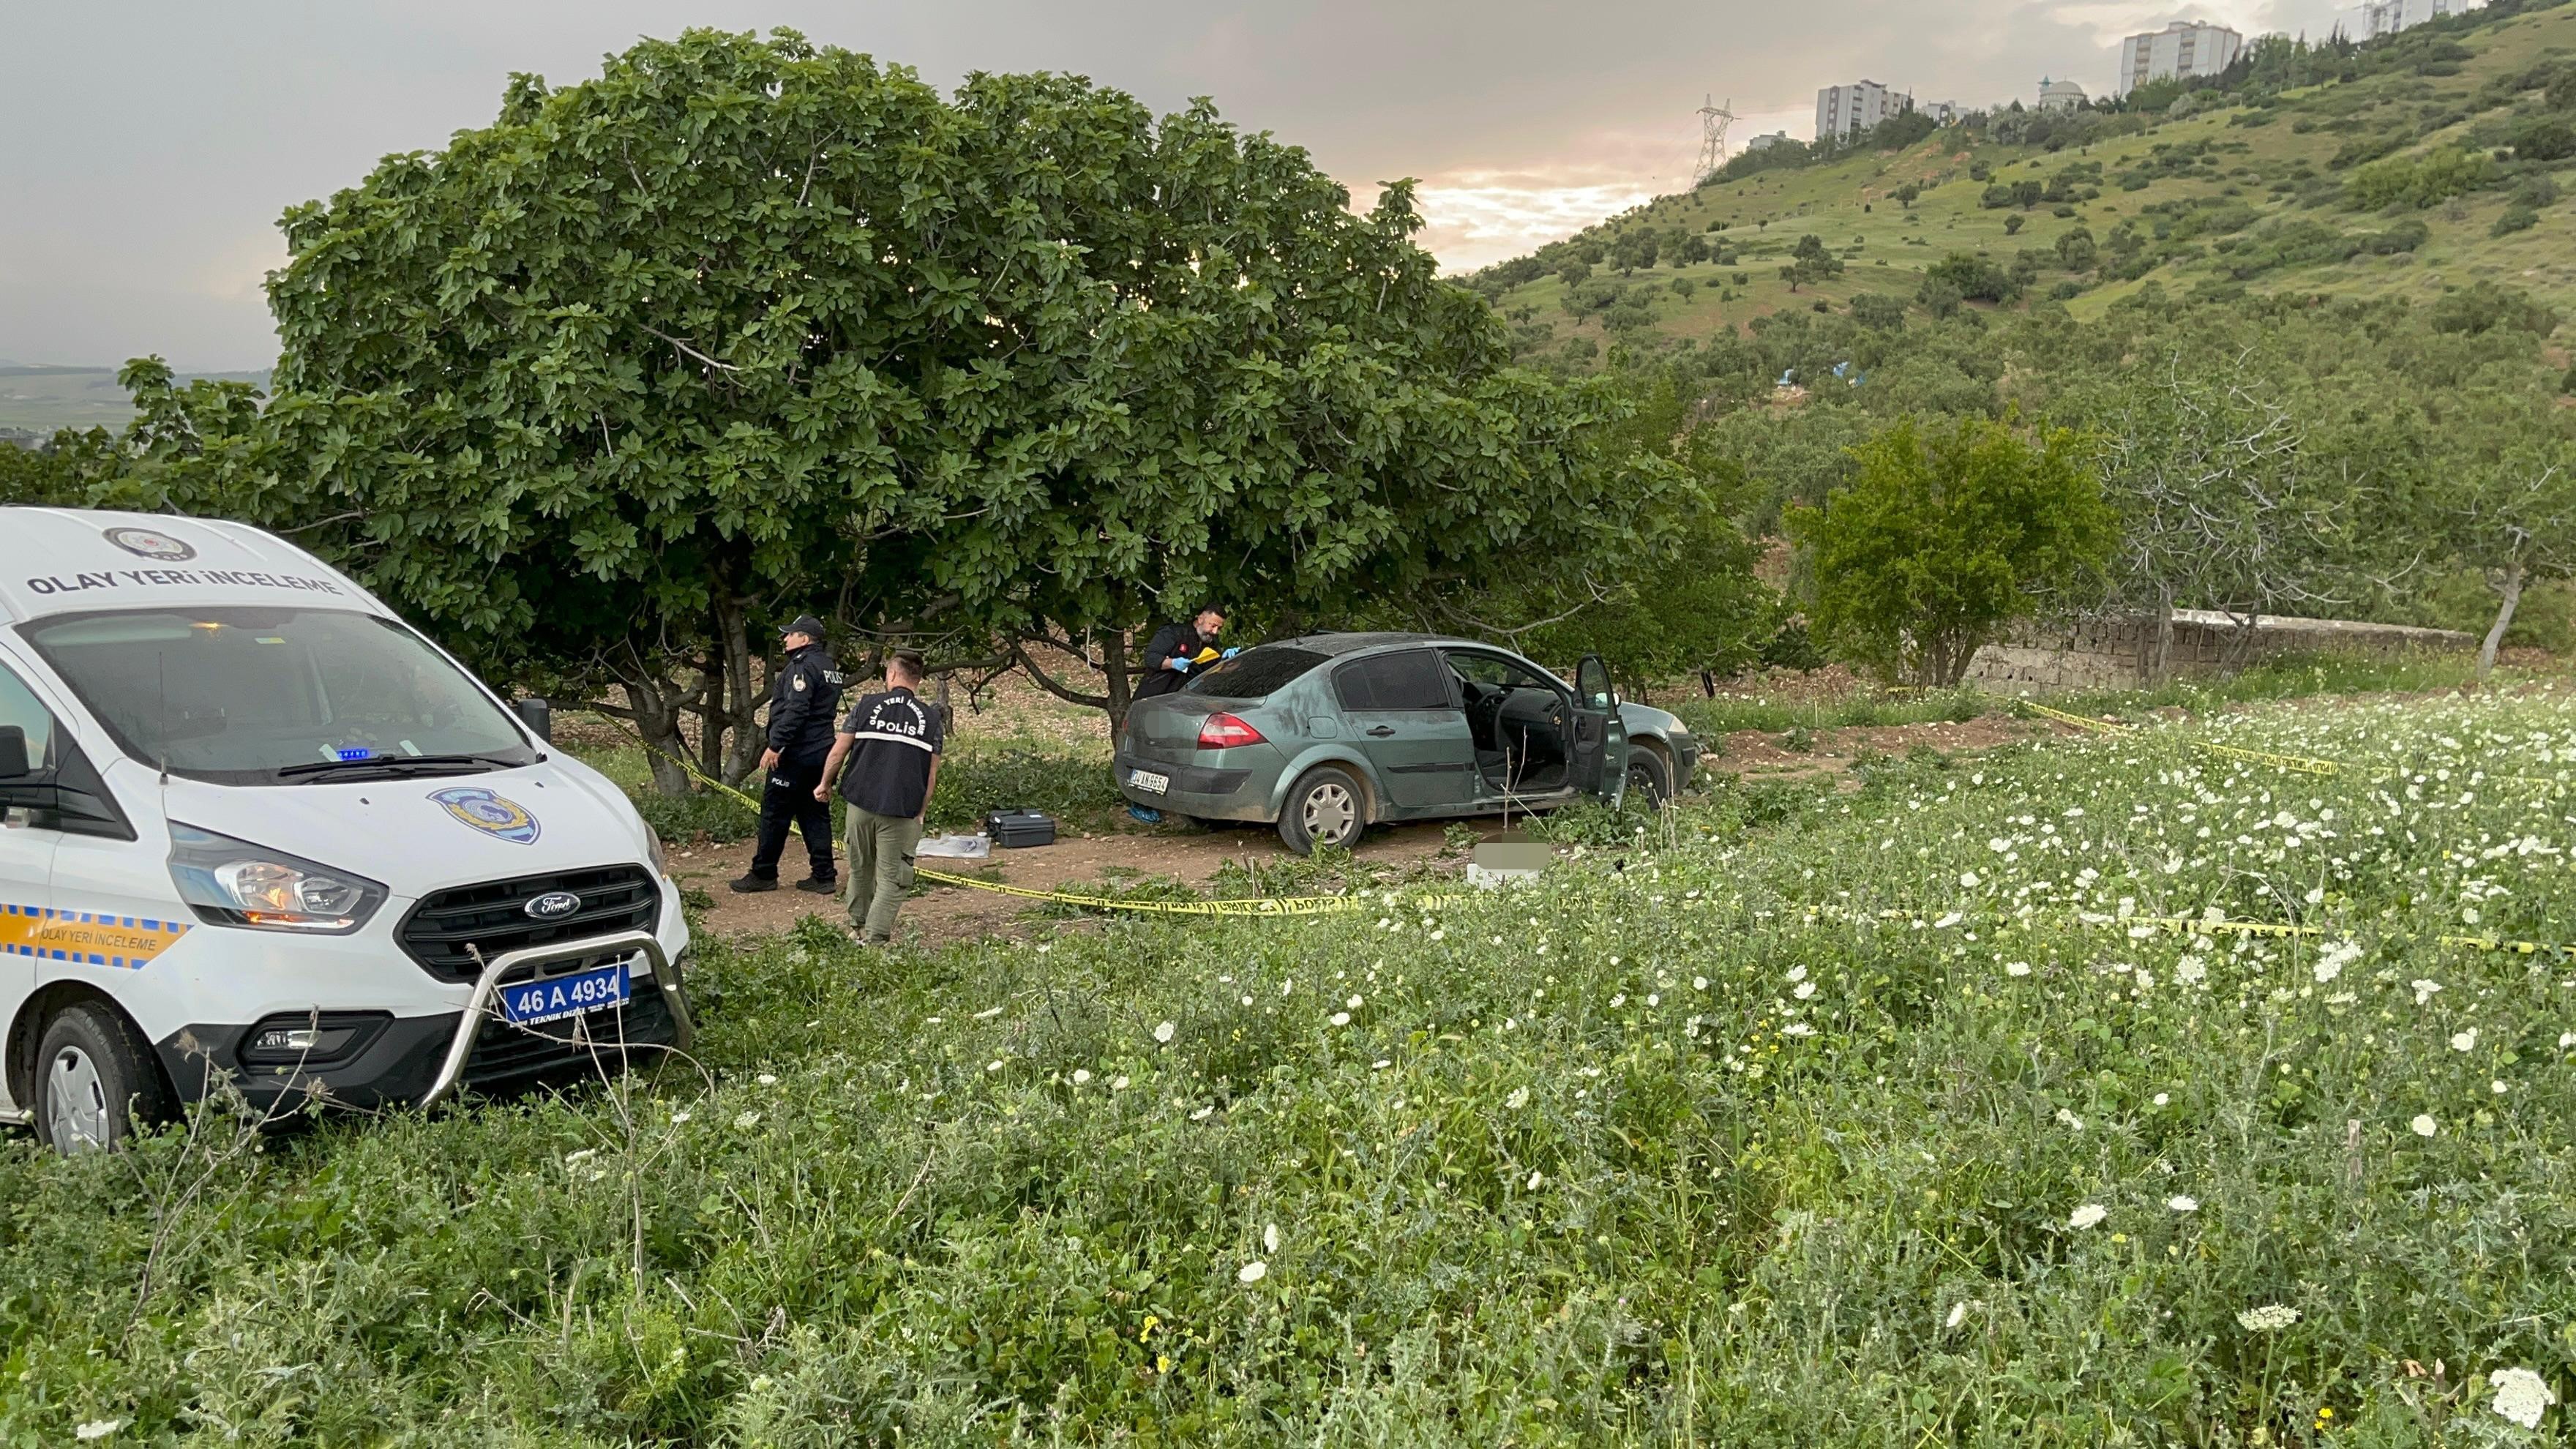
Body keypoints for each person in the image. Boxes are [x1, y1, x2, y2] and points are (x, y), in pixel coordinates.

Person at [815, 649, 943, 945]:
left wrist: (825, 783)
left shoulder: (866, 705)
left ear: (893, 674)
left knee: (860, 867)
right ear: (918, 680)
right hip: (901, 809)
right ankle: (874, 940)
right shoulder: (931, 719)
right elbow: (930, 776)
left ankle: (856, 927)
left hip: (859, 803)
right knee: (893, 876)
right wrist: (921, 812)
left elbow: (838, 752)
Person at [730, 615, 845, 894]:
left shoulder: (801, 668)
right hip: (821, 753)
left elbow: (796, 711)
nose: (785, 639)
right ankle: (824, 875)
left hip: (795, 754)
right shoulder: (829, 666)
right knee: (814, 813)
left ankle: (764, 872)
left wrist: (775, 746)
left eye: (790, 634)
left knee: (774, 813)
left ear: (804, 639)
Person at [1132, 606, 1235, 703]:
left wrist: (1224, 662)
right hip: (1152, 700)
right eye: (1213, 626)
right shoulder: (1174, 632)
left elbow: (1210, 673)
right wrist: (1173, 663)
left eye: (1219, 628)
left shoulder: (1212, 644)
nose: (1215, 632)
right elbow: (1151, 658)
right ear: (1200, 619)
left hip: (1181, 704)